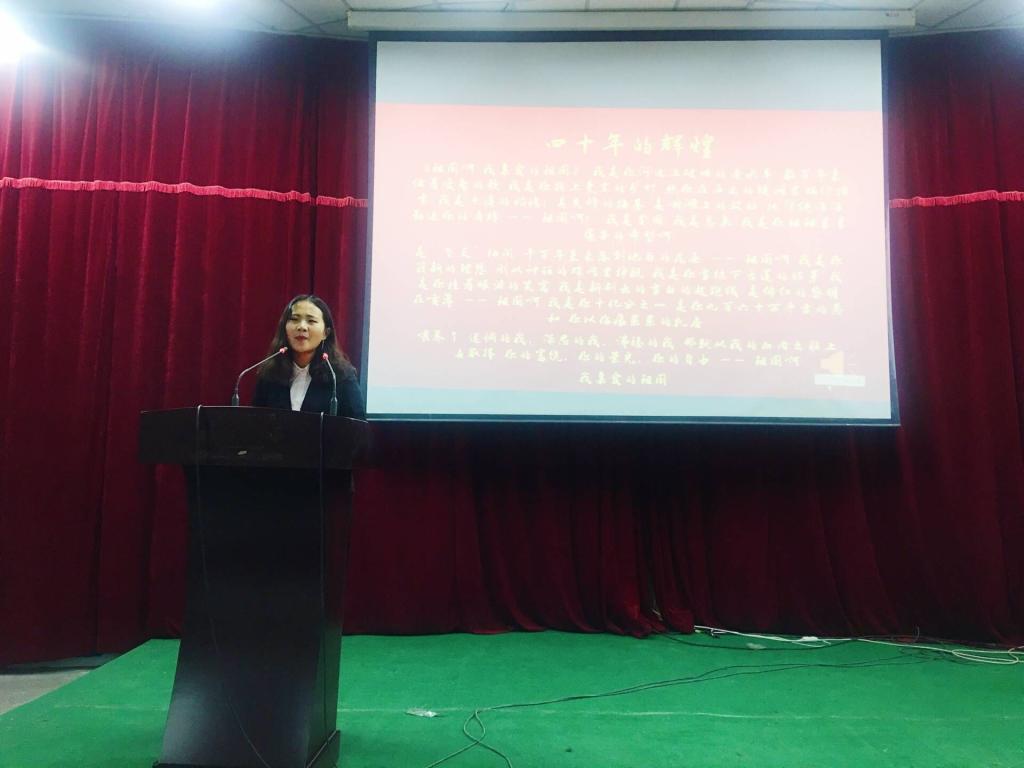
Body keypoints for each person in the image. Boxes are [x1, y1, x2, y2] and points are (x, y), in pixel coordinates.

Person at [252, 294, 365, 419]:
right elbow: (256, 423)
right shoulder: (270, 374)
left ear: (326, 333)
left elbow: (357, 427)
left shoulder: (340, 377)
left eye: (311, 321)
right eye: (294, 319)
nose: (301, 327)